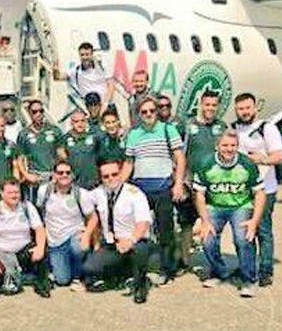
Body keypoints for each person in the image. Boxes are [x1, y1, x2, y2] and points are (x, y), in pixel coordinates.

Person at [193, 130, 265, 297]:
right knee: (208, 239)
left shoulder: (247, 164)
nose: (229, 149)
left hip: (241, 205)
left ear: (237, 147)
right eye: (225, 145)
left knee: (243, 238)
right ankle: (219, 273)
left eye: (233, 145)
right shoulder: (206, 163)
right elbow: (199, 194)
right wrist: (205, 221)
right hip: (215, 206)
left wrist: (254, 220)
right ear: (217, 146)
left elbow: (260, 193)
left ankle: (249, 279)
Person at [121, 97, 186, 284]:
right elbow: (128, 163)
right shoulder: (133, 134)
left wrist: (179, 183)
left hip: (162, 187)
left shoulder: (168, 129)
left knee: (165, 231)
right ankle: (136, 270)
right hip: (139, 189)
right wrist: (118, 185)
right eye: (144, 112)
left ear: (157, 112)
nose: (148, 114)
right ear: (139, 114)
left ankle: (167, 271)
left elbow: (180, 158)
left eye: (151, 111)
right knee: (137, 231)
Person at [83, 160, 153, 304]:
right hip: (112, 244)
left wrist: (130, 240)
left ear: (121, 173)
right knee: (89, 267)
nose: (110, 179)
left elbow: (143, 222)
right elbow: (81, 201)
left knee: (139, 251)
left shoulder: (134, 194)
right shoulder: (97, 193)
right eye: (106, 176)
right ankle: (121, 275)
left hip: (135, 241)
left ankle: (141, 285)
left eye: (114, 174)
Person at [233, 92, 282, 287]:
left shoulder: (267, 128)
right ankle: (247, 267)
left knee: (263, 230)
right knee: (244, 231)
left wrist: (260, 159)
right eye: (240, 109)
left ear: (255, 108)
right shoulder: (235, 128)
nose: (244, 112)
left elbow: (278, 157)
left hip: (265, 189)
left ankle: (265, 270)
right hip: (243, 190)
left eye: (247, 108)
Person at [179, 89, 227, 271]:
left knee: (212, 224)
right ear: (201, 104)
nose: (210, 108)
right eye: (207, 104)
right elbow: (181, 155)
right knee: (186, 224)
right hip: (190, 183)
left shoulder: (222, 127)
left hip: (212, 186)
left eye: (214, 105)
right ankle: (184, 262)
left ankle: (213, 264)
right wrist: (181, 181)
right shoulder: (189, 126)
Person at [0, 179, 50, 298]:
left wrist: (40, 247)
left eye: (17, 192)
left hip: (23, 250)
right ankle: (10, 277)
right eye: (10, 193)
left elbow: (40, 229)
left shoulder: (27, 206)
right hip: (2, 253)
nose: (14, 195)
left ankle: (41, 284)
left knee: (42, 251)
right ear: (2, 193)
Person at [36, 161, 97, 289]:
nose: (64, 175)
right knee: (62, 280)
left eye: (68, 173)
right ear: (54, 174)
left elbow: (93, 218)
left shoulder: (81, 194)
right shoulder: (44, 191)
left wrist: (86, 236)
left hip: (75, 236)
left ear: (73, 175)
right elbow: (40, 215)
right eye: (60, 172)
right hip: (55, 241)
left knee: (78, 248)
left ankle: (77, 277)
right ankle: (60, 269)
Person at [17, 99, 67, 201]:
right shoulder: (24, 134)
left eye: (41, 111)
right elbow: (20, 158)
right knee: (35, 210)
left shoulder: (55, 131)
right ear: (29, 114)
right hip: (35, 178)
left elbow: (62, 155)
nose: (38, 114)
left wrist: (59, 174)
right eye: (34, 112)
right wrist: (27, 175)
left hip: (52, 178)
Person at [63, 110, 101, 189]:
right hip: (75, 184)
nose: (80, 124)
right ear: (71, 123)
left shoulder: (94, 137)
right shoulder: (65, 139)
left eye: (82, 121)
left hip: (94, 184)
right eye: (76, 121)